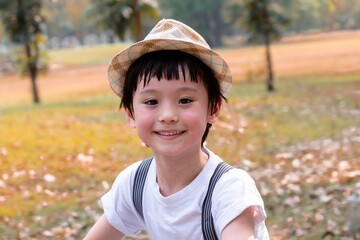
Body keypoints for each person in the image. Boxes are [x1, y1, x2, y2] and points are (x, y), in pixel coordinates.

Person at [84, 19, 269, 240]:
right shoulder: (136, 182)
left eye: (185, 100)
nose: (168, 116)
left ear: (213, 108)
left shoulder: (228, 189)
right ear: (130, 113)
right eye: (152, 102)